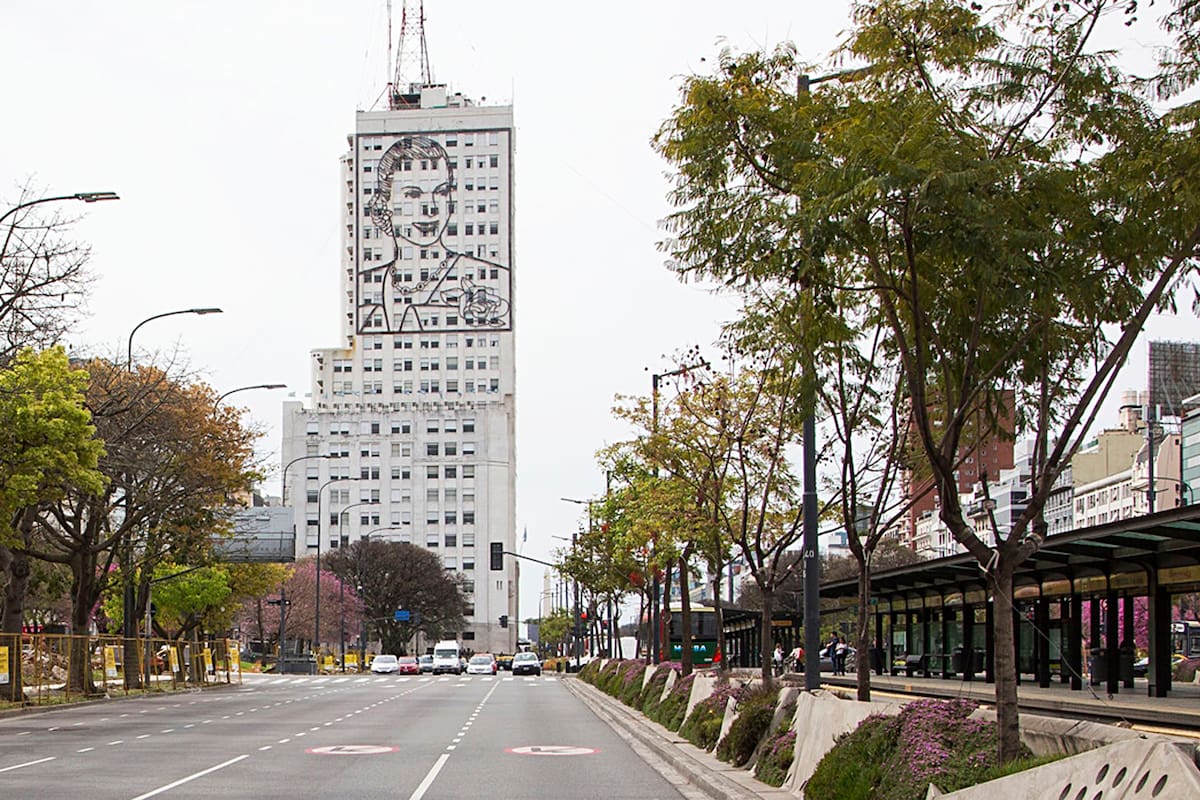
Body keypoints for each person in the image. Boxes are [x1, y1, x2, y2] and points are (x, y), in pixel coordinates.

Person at [359, 135, 511, 334]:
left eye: (441, 192)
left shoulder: (493, 276)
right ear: (384, 203)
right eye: (413, 195)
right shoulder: (364, 283)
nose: (431, 208)